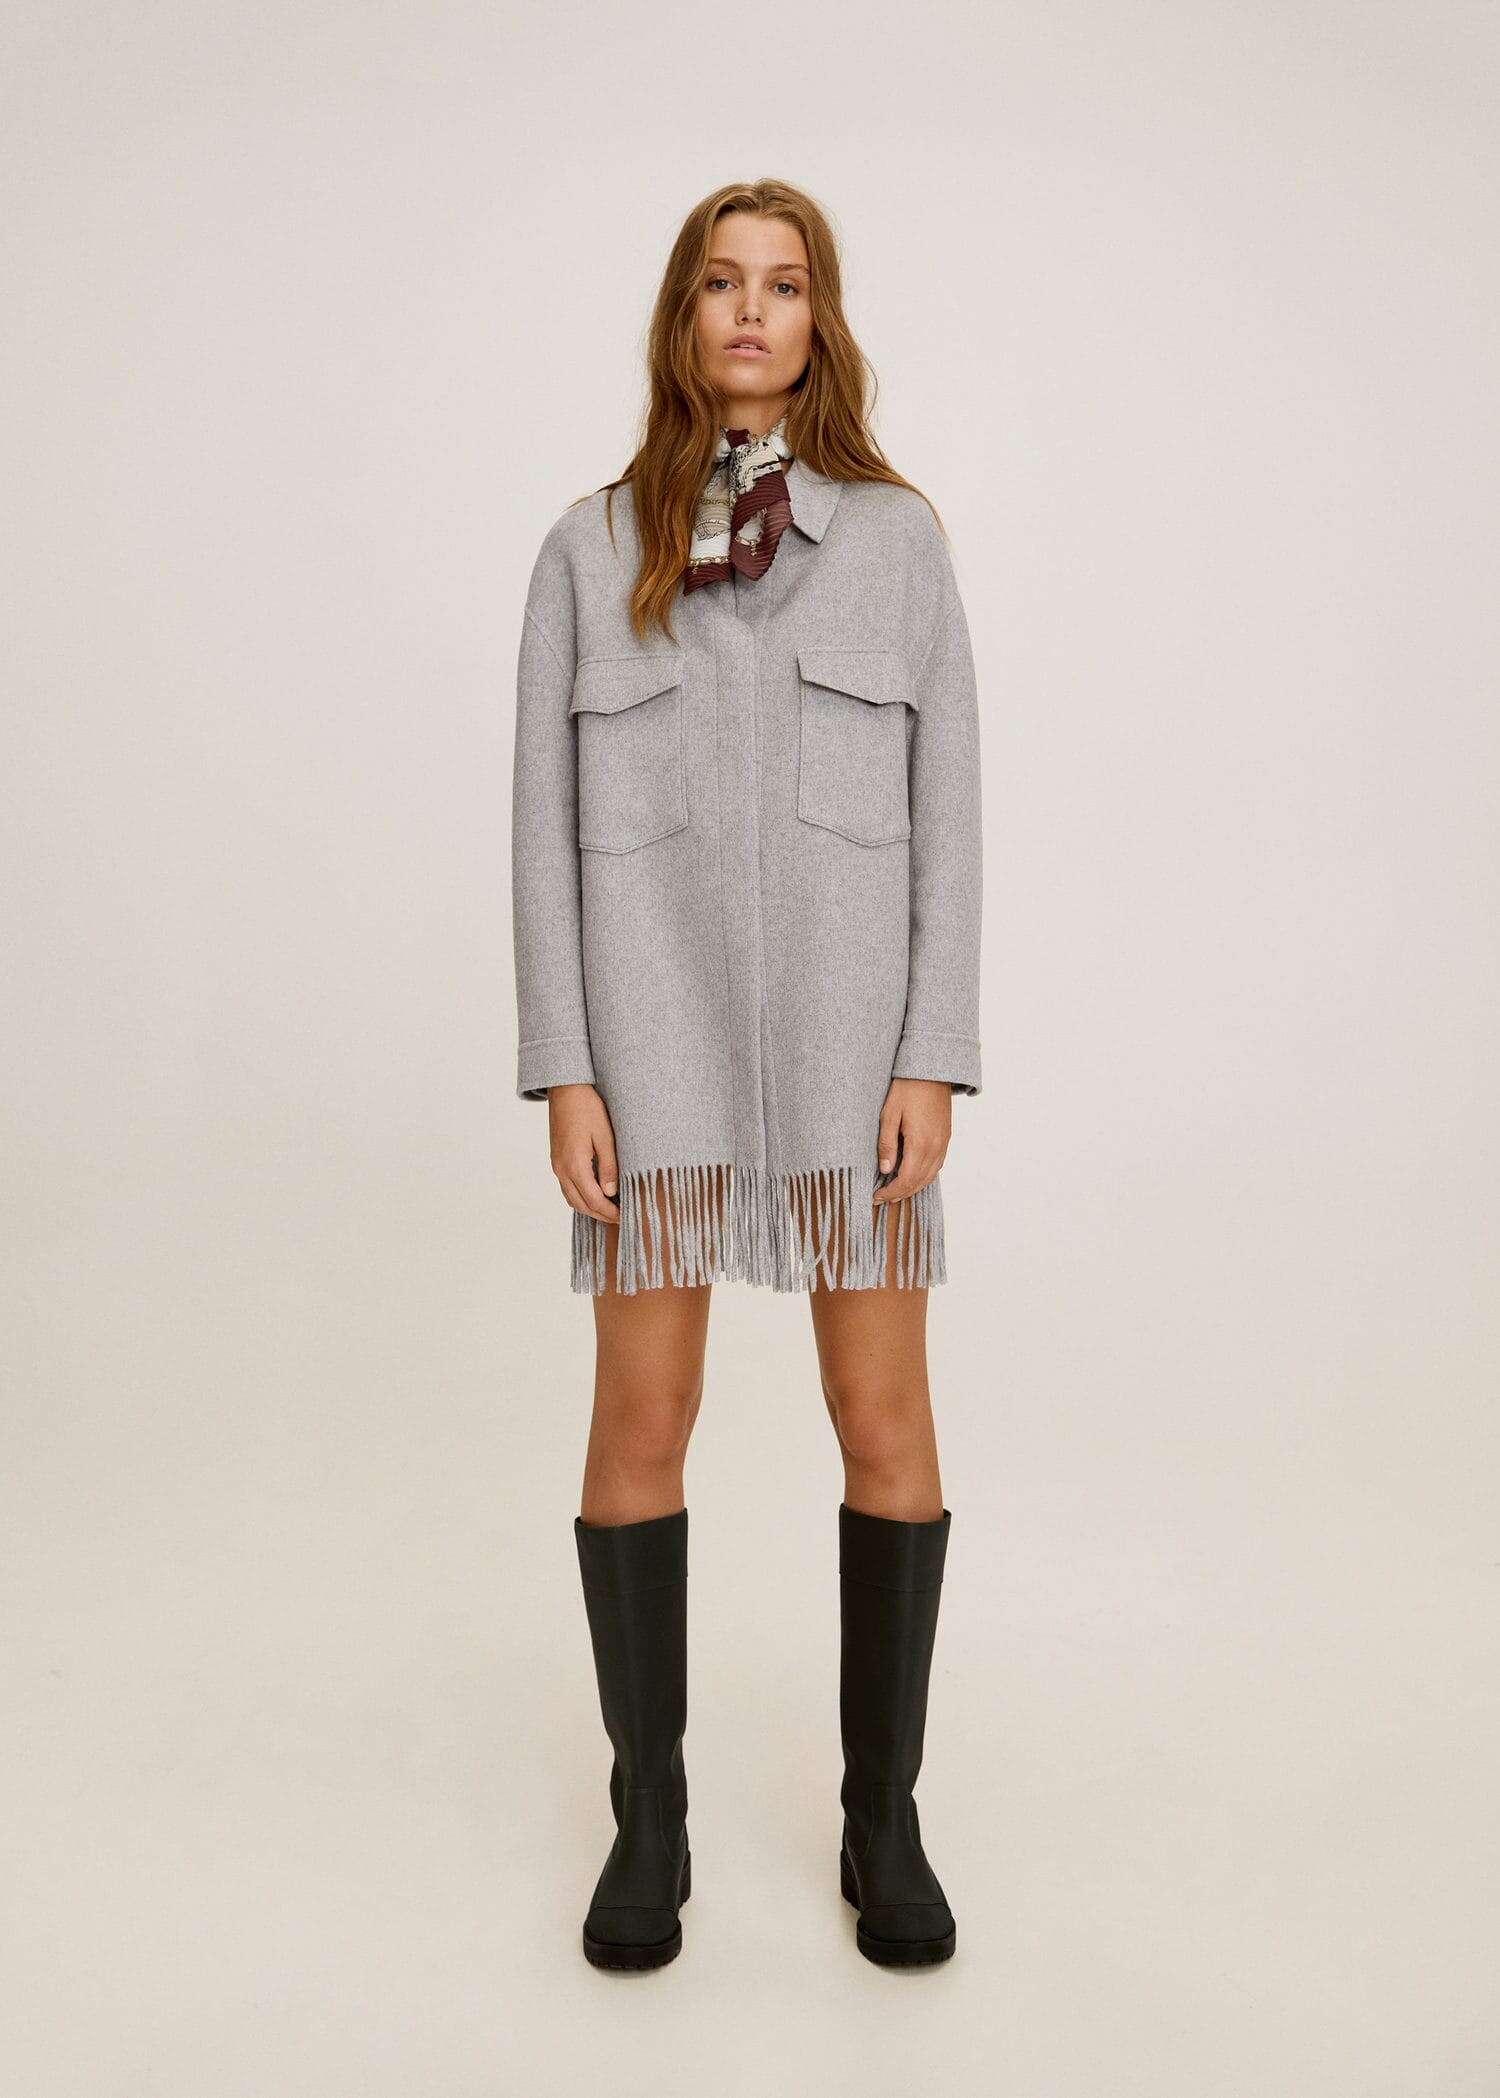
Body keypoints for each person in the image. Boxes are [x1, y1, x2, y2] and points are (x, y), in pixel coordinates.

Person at [511, 179, 983, 1971]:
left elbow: (955, 816)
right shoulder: (586, 553)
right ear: (683, 316)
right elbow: (537, 835)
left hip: (858, 1062)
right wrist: (568, 1066)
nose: (753, 310)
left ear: (820, 321)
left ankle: (884, 1820)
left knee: (886, 1418)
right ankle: (650, 1818)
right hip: (658, 1056)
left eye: (785, 284)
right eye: (723, 281)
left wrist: (934, 1052)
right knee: (643, 1414)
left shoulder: (900, 546)